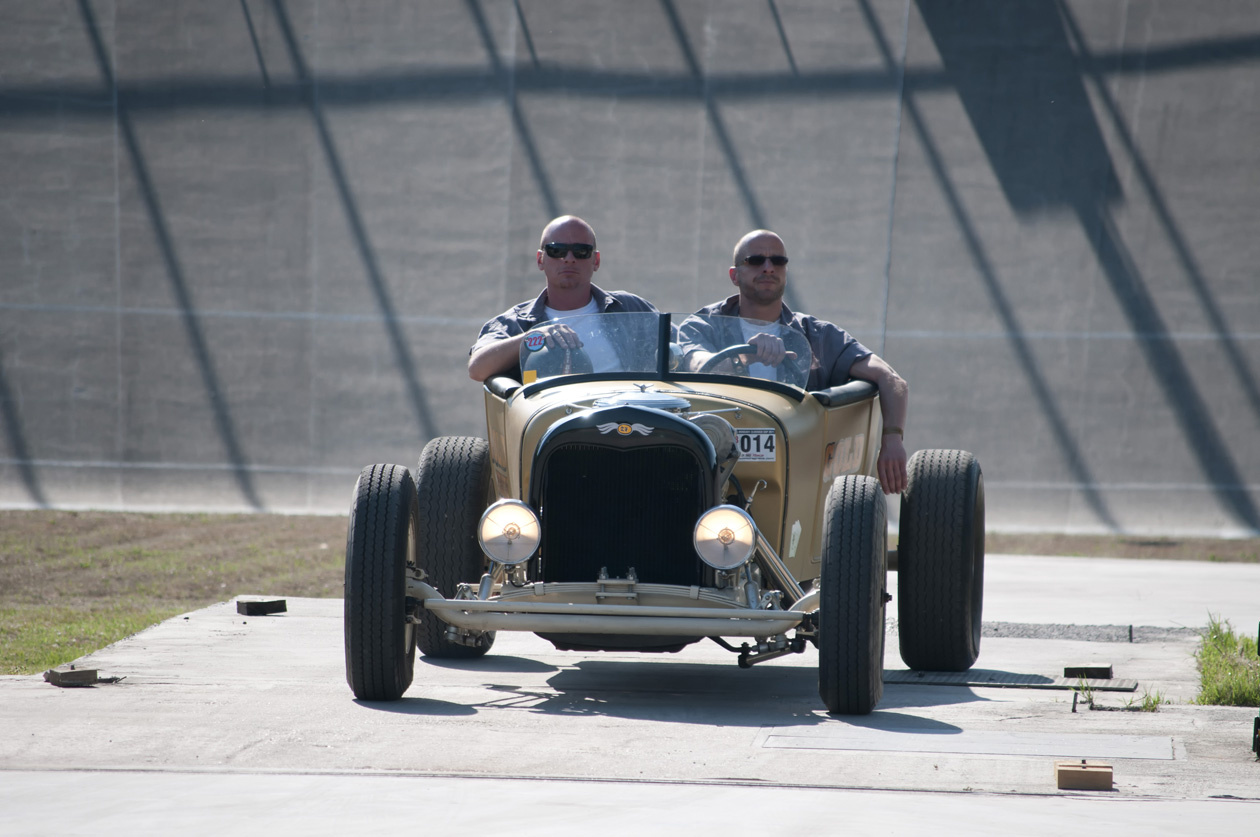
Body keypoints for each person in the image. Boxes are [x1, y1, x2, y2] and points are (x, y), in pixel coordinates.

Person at [683, 229, 909, 494]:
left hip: (799, 477)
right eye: (756, 260)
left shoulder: (818, 335)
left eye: (778, 261)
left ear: (785, 272)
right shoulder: (703, 326)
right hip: (716, 472)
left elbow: (892, 380)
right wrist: (743, 357)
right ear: (735, 275)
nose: (768, 268)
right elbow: (696, 364)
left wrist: (892, 438)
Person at [467, 215, 658, 383]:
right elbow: (477, 368)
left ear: (596, 261)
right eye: (556, 251)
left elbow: (681, 348)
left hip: (630, 421)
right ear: (540, 260)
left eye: (581, 251)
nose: (568, 258)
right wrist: (532, 337)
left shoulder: (631, 308)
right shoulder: (517, 323)